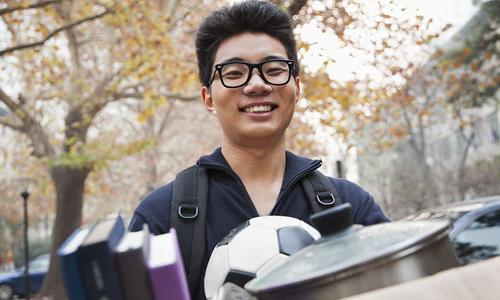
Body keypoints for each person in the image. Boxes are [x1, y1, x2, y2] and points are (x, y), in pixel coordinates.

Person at [129, 1, 389, 299]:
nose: (256, 84)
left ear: (297, 87)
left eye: (274, 69)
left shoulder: (352, 206)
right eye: (235, 73)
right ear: (208, 98)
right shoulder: (160, 217)